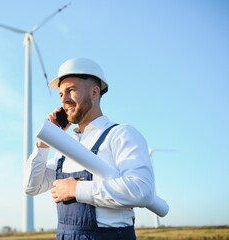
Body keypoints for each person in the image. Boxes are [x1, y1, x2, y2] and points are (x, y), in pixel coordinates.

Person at [24, 57, 155, 240]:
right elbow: (32, 187)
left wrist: (76, 189)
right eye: (61, 94)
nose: (65, 100)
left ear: (94, 92)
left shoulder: (121, 134)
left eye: (71, 90)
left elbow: (142, 191)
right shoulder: (64, 147)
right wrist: (44, 141)